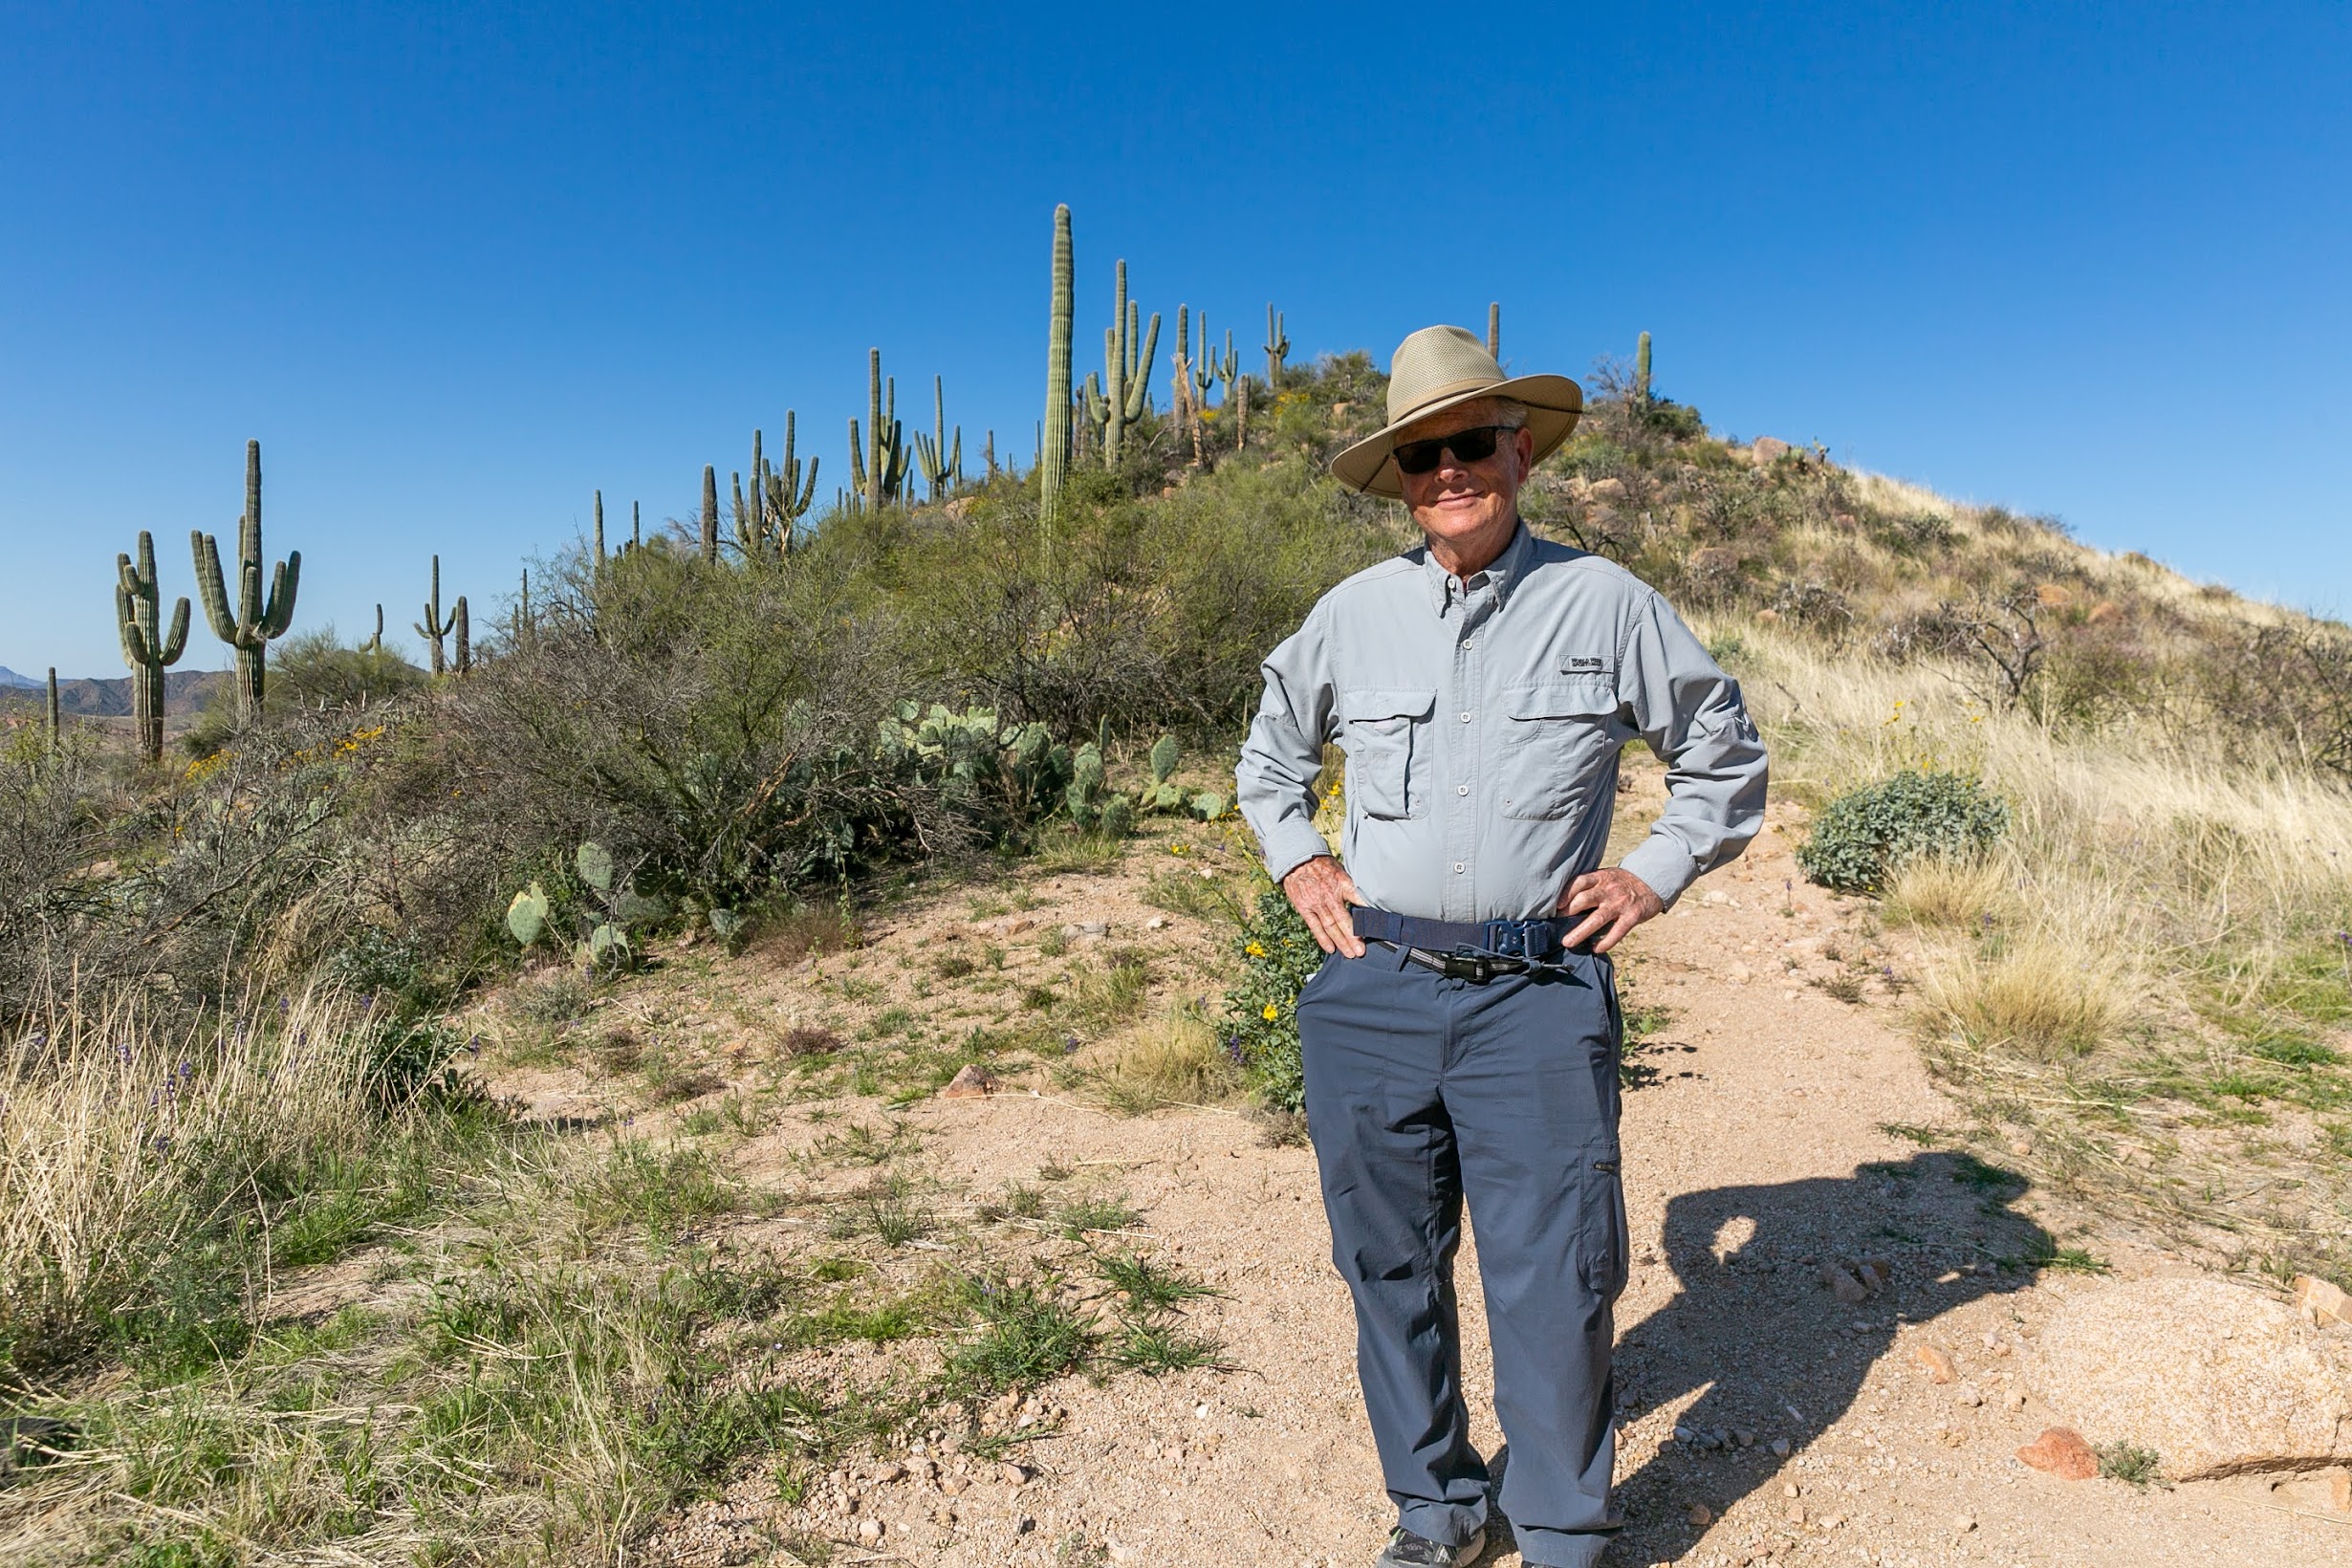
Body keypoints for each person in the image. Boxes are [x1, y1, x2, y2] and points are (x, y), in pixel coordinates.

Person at [1234, 324, 1769, 1568]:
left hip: (1537, 992)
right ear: (1403, 475)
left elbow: (1723, 757)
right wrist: (1299, 858)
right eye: (1423, 454)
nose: (1450, 470)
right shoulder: (1350, 617)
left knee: (1555, 1282)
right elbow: (1269, 760)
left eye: (1471, 443)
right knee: (1389, 1268)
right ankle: (1439, 1513)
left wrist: (1654, 871)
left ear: (1519, 453)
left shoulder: (1606, 603)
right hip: (1372, 988)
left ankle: (1563, 1531)